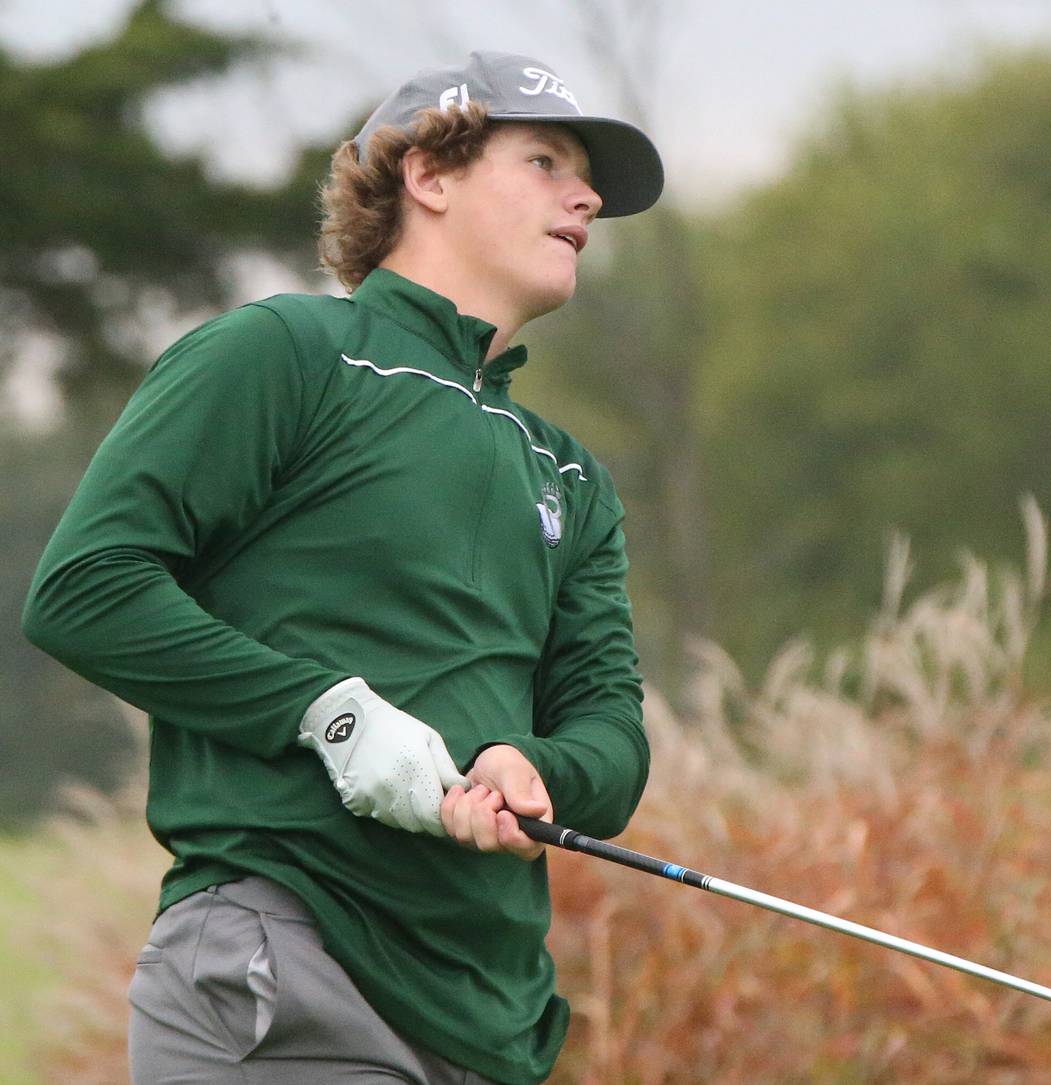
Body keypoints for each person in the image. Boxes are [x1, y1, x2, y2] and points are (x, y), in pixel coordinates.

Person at [22, 49, 662, 1085]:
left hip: (490, 1018)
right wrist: (331, 711)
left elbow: (609, 727)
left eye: (580, 177)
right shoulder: (287, 353)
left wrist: (535, 764)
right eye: (544, 160)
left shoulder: (570, 474)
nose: (584, 196)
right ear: (430, 175)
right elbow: (88, 587)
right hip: (286, 963)